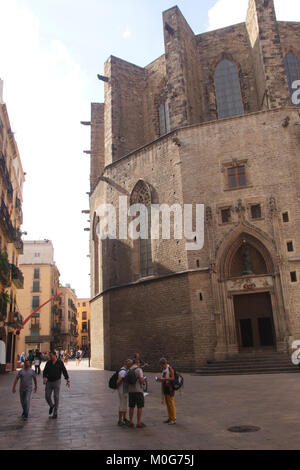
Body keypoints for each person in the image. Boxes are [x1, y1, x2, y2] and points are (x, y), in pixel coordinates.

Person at [43, 350, 70, 419]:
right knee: (47, 396)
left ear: (55, 355)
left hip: (57, 381)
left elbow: (64, 371)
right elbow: (45, 371)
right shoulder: (48, 363)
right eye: (49, 356)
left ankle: (55, 413)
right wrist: (44, 377)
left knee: (56, 397)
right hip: (49, 381)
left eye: (51, 356)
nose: (50, 357)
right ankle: (51, 405)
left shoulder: (59, 362)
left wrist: (67, 379)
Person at [128, 358, 146, 428]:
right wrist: (144, 379)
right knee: (139, 406)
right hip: (138, 390)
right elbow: (141, 381)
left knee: (131, 407)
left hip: (131, 391)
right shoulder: (139, 370)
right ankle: (138, 422)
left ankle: (130, 421)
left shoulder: (129, 369)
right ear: (138, 363)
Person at [157, 357, 176, 425]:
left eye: (161, 364)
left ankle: (173, 418)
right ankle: (170, 417)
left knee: (171, 403)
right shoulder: (164, 369)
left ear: (164, 363)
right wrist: (160, 379)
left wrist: (164, 379)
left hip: (170, 388)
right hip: (165, 387)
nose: (161, 366)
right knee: (168, 404)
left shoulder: (169, 368)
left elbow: (173, 378)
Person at [117, 359, 133, 426]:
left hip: (125, 390)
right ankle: (120, 420)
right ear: (127, 364)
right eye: (130, 364)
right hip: (122, 390)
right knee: (122, 405)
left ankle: (124, 418)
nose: (131, 365)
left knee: (125, 405)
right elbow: (118, 382)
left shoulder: (126, 370)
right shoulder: (123, 372)